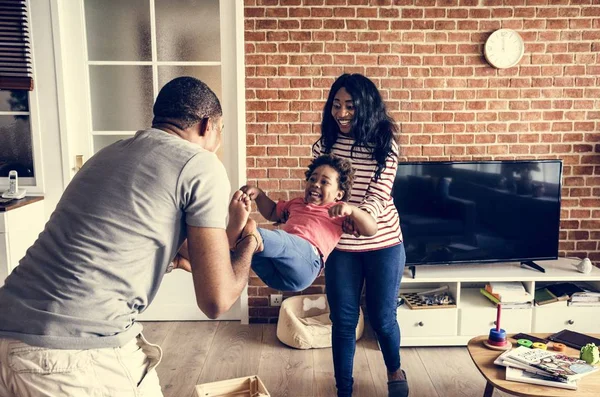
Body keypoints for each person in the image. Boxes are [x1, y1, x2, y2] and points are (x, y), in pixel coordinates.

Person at [0, 76, 260, 397]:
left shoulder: (108, 155)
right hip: (68, 354)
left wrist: (212, 241)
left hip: (8, 329)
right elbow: (216, 301)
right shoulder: (200, 164)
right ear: (208, 125)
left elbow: (196, 257)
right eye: (221, 129)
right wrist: (250, 242)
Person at [312, 73, 408, 397]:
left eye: (350, 107)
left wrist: (355, 213)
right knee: (342, 321)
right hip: (340, 245)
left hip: (383, 243)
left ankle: (394, 370)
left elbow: (378, 197)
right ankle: (344, 390)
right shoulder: (326, 143)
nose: (341, 113)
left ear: (365, 107)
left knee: (383, 318)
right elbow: (322, 187)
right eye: (336, 105)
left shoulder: (385, 144)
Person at [234, 154, 377, 292]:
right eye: (312, 179)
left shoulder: (337, 211)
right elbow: (272, 212)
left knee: (276, 238)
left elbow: (371, 229)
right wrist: (259, 195)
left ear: (339, 194)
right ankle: (235, 244)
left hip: (306, 263)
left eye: (324, 182)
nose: (315, 184)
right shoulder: (296, 203)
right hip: (276, 272)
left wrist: (352, 210)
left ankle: (244, 235)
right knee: (249, 251)